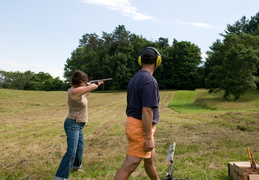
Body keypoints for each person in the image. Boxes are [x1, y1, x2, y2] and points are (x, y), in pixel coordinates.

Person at [114, 47, 162, 180]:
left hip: (137, 125)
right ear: (158, 61)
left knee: (150, 160)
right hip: (140, 127)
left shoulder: (136, 77)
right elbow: (146, 110)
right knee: (129, 165)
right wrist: (148, 137)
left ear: (140, 60)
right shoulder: (150, 81)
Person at [54, 70, 103, 180]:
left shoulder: (78, 92)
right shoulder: (73, 91)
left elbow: (85, 94)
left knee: (80, 147)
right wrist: (93, 85)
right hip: (73, 124)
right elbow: (92, 87)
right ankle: (60, 177)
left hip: (78, 124)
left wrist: (93, 85)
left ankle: (76, 167)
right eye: (84, 81)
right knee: (71, 151)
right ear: (81, 81)